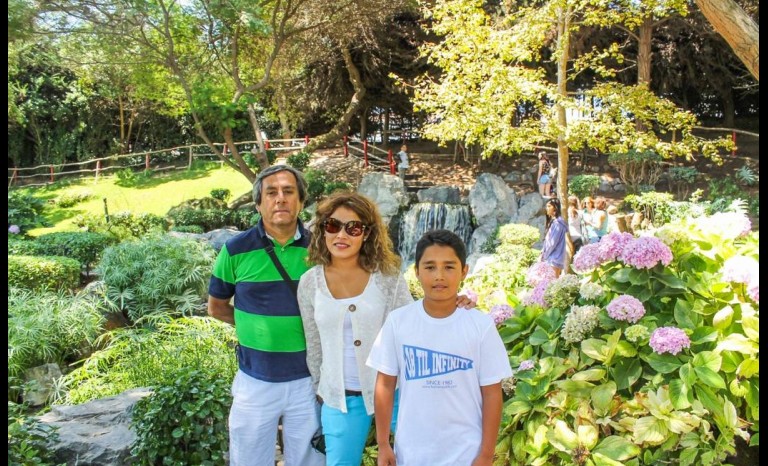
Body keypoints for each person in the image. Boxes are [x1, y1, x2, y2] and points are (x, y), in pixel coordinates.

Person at [298, 193, 476, 466]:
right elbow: (314, 346)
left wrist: (452, 303)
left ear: (367, 234)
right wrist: (322, 390)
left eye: (353, 228)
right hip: (340, 400)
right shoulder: (310, 283)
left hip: (396, 393)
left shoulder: (387, 278)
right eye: (333, 225)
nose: (341, 235)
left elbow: (416, 325)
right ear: (323, 229)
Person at [207, 165, 324, 466]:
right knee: (249, 460)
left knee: (310, 461)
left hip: (308, 381)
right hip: (255, 380)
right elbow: (216, 306)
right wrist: (253, 323)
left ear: (301, 201)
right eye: (271, 193)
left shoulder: (321, 250)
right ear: (259, 203)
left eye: (289, 192)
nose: (280, 199)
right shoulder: (234, 250)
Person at [366, 229, 513, 466]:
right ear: (416, 272)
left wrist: (486, 454)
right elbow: (385, 384)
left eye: (449, 267)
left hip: (466, 452)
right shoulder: (398, 322)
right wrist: (383, 444)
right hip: (412, 453)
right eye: (430, 267)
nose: (439, 276)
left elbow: (492, 393)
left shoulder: (480, 325)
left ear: (464, 271)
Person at [541, 198, 568, 277]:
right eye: (546, 206)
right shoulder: (556, 222)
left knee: (551, 282)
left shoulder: (557, 224)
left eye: (549, 206)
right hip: (555, 257)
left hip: (554, 258)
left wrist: (544, 256)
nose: (547, 208)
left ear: (555, 208)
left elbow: (552, 243)